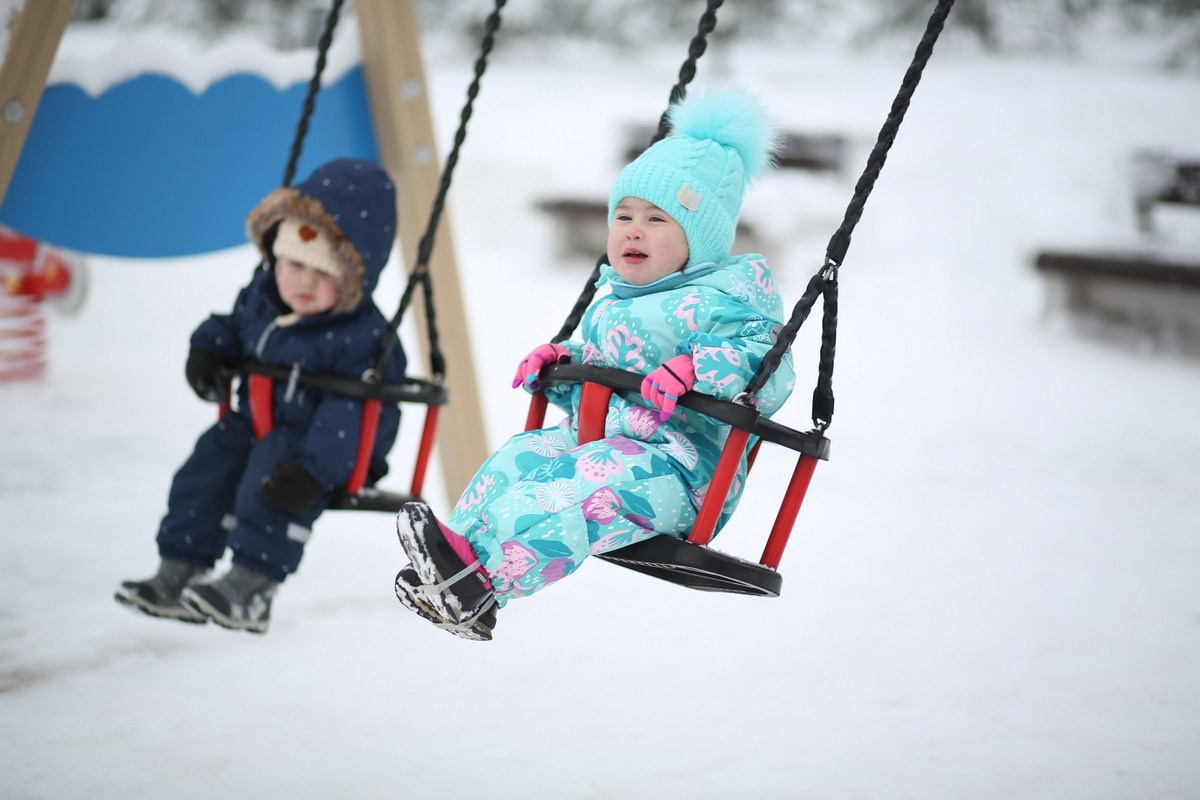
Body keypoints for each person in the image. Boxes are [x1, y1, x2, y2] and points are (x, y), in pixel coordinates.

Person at [392, 87, 796, 641]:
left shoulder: (726, 306)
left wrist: (698, 369)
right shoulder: (613, 307)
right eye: (623, 215)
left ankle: (482, 578)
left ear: (697, 242)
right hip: (605, 443)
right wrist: (567, 365)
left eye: (657, 219)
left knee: (575, 483)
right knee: (524, 455)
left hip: (680, 471)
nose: (633, 229)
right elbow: (604, 388)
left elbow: (767, 368)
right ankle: (453, 558)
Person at [115, 158, 407, 634]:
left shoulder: (365, 339)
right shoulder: (264, 295)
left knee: (272, 479)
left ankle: (251, 586)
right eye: (294, 265)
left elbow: (352, 418)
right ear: (276, 255)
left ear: (356, 275)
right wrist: (206, 351)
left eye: (324, 271)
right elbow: (230, 327)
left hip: (317, 452)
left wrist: (316, 472)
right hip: (254, 423)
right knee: (205, 469)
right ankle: (178, 570)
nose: (304, 283)